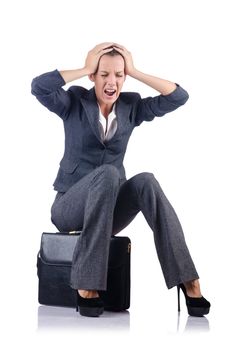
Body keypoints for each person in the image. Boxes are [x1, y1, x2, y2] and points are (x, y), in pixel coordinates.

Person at [31, 42, 210, 317]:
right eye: (104, 75)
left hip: (107, 212)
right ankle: (86, 284)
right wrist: (84, 67)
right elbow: (39, 87)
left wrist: (135, 71)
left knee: (146, 181)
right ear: (94, 76)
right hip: (69, 207)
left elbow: (178, 97)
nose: (112, 82)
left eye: (118, 75)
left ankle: (187, 278)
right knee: (110, 172)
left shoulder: (131, 107)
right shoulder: (75, 101)